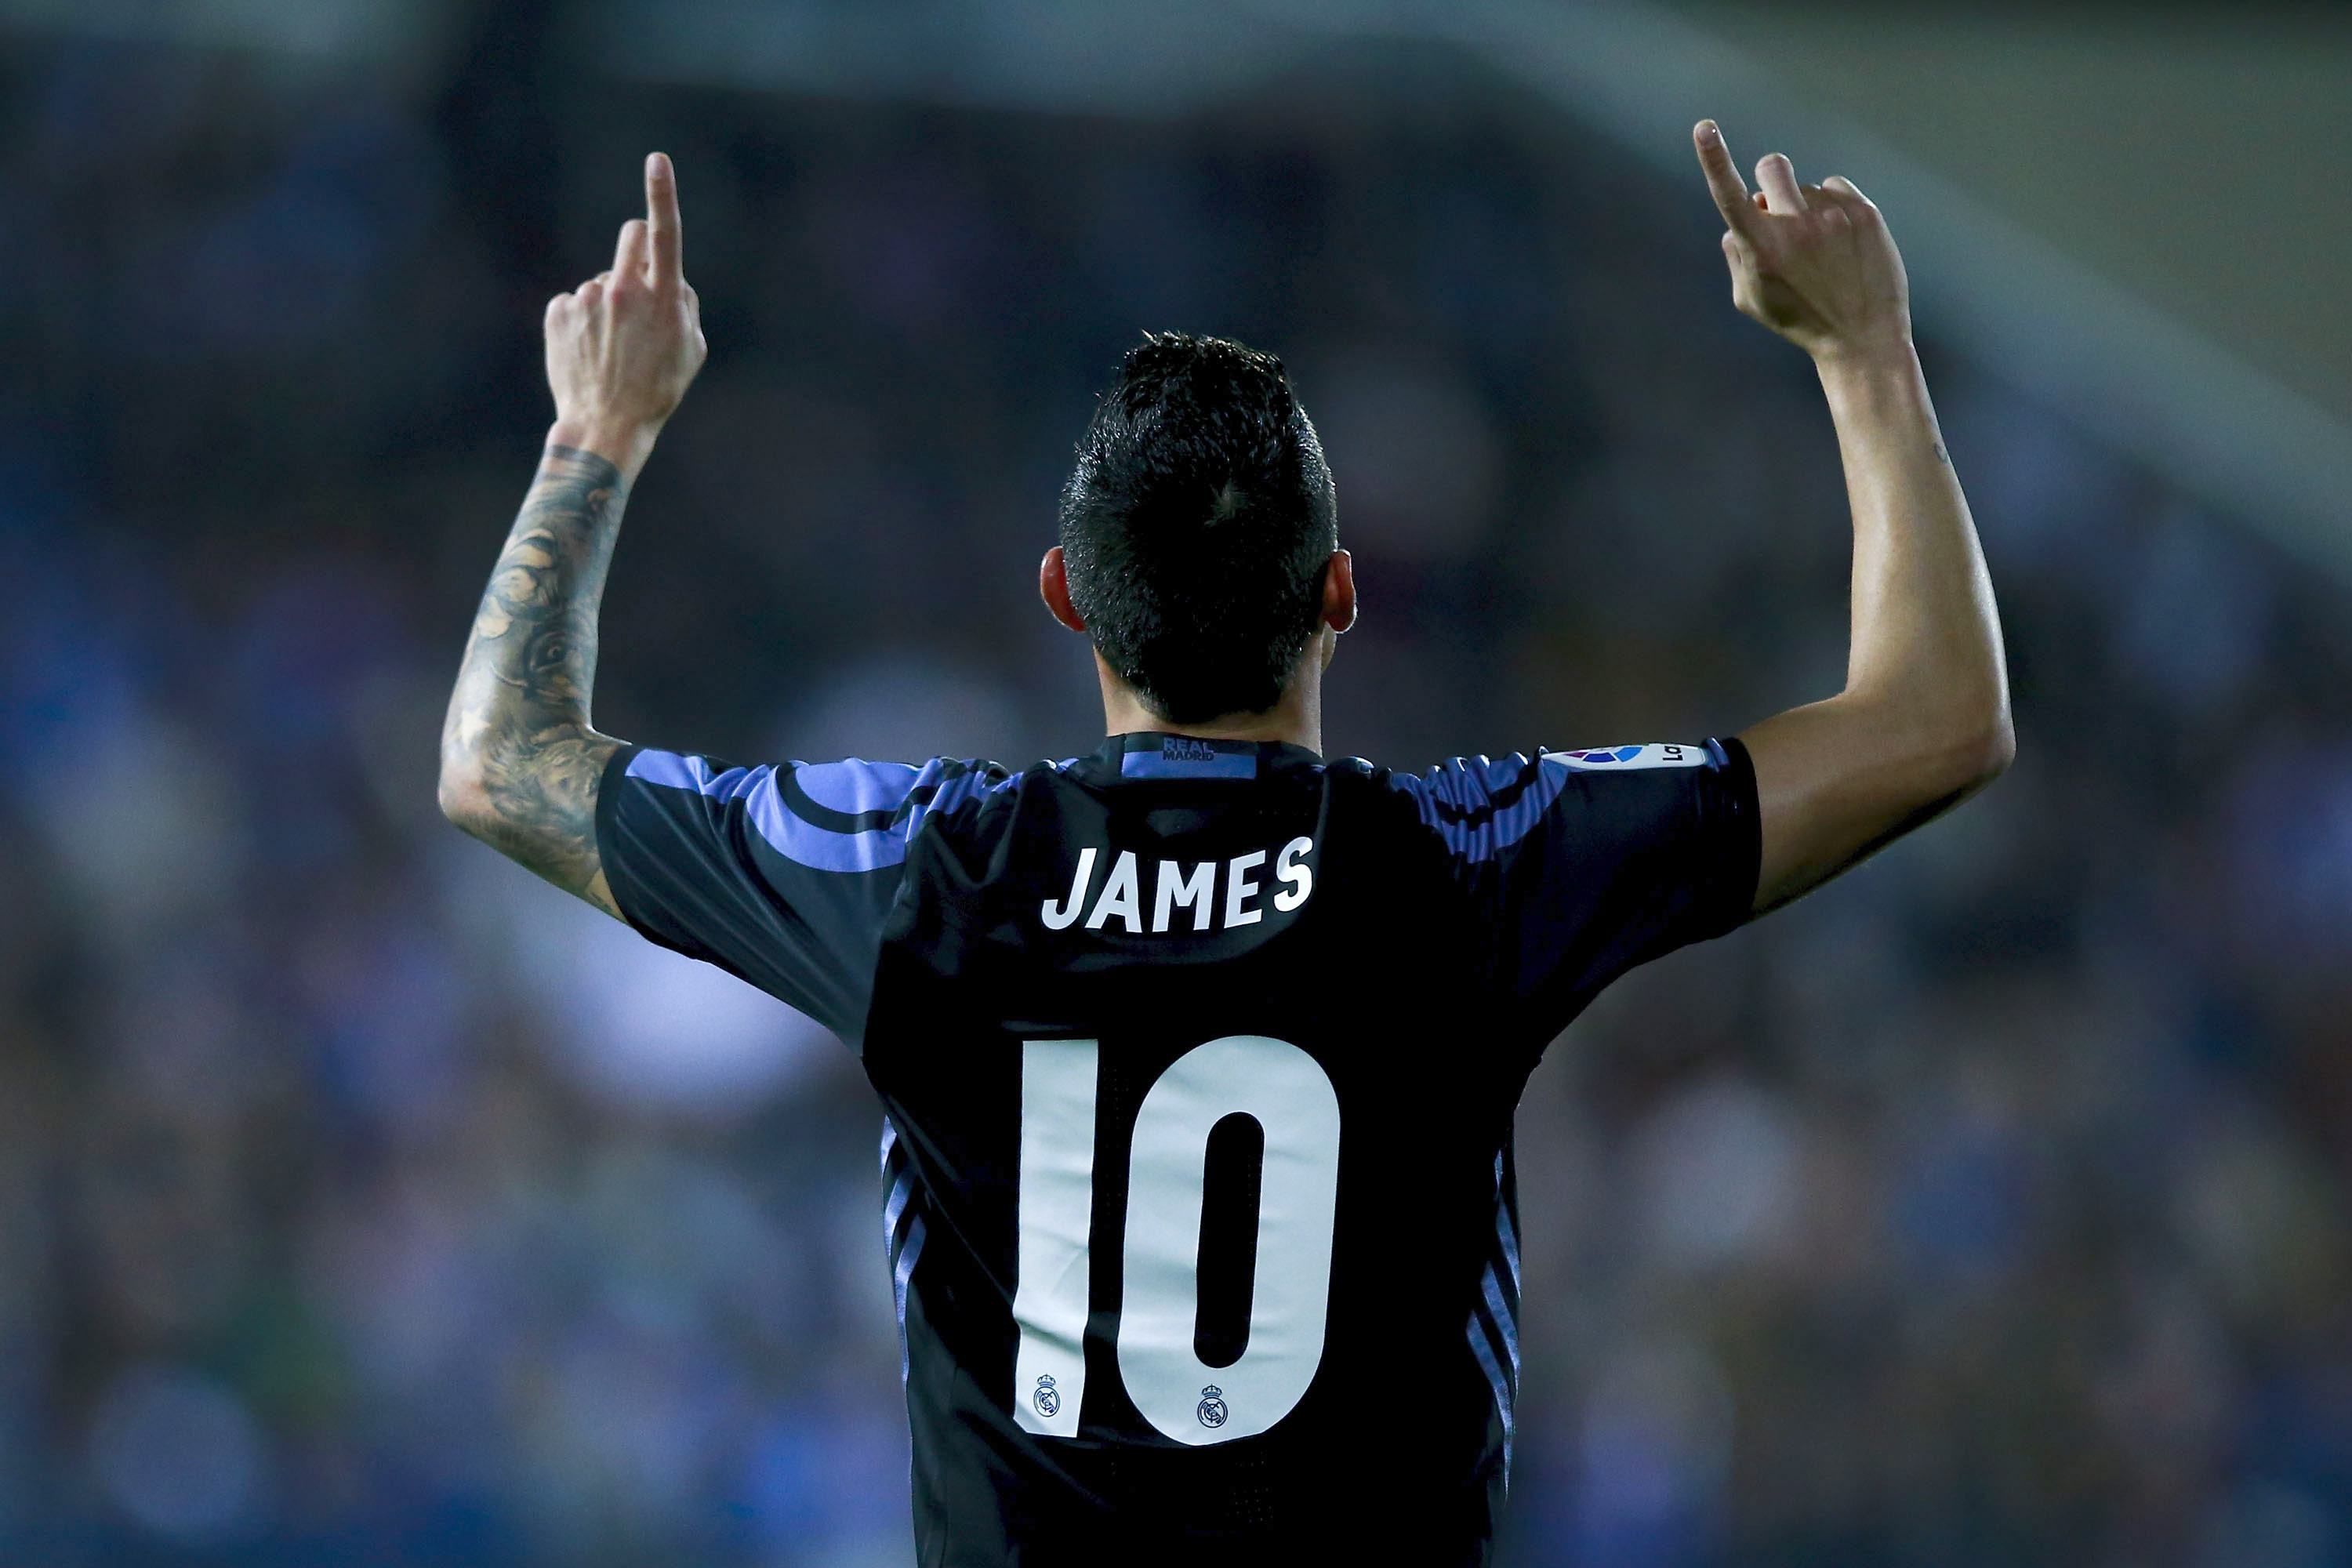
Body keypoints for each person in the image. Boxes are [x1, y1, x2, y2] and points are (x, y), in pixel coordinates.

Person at [439, 123, 2010, 1566]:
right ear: (1338, 594)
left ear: (1065, 593)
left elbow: (500, 766)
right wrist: (1864, 350)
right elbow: (1937, 721)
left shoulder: (932, 873)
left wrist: (601, 430)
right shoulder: (1462, 865)